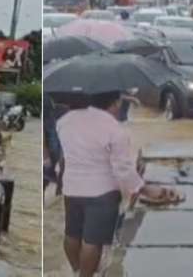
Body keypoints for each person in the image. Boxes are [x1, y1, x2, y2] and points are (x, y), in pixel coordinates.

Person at [57, 91, 178, 277]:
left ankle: (76, 270)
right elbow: (123, 170)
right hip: (101, 192)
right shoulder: (113, 128)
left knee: (72, 233)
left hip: (71, 188)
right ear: (114, 103)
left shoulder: (64, 121)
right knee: (92, 241)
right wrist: (146, 189)